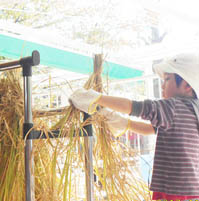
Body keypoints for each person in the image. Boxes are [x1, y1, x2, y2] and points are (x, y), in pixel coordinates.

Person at [69, 53, 199, 201]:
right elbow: (151, 129)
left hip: (173, 190)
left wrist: (97, 98)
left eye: (167, 79)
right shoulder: (193, 110)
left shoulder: (173, 107)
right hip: (191, 190)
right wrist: (125, 123)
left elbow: (135, 107)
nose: (162, 86)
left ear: (187, 84)